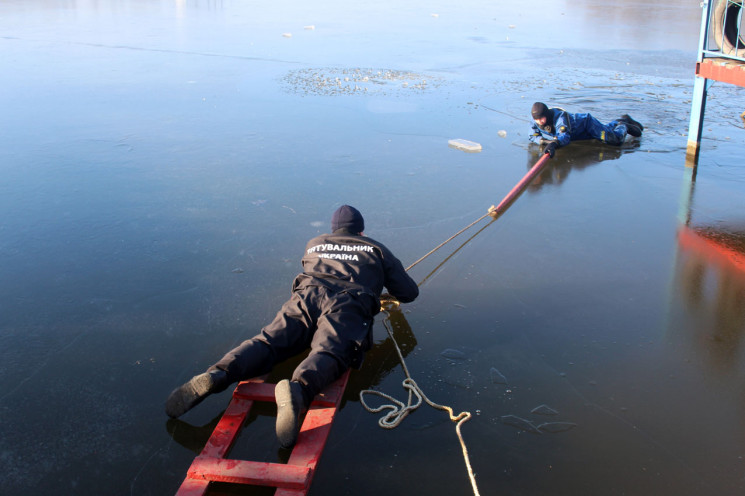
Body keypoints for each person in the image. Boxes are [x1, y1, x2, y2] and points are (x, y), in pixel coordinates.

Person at [165, 205, 419, 448]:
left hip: (306, 297)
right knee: (331, 351)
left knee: (269, 342)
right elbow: (408, 293)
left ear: (333, 229)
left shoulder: (315, 243)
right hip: (347, 304)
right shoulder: (376, 248)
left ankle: (218, 374)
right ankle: (298, 389)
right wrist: (379, 281)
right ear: (361, 230)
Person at [529, 102, 643, 157]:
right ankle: (619, 121)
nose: (540, 122)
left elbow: (565, 136)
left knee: (614, 140)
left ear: (547, 115)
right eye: (537, 119)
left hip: (587, 124)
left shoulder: (560, 118)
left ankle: (624, 124)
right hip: (578, 134)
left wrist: (555, 143)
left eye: (542, 118)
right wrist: (543, 141)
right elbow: (532, 135)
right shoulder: (535, 121)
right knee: (607, 129)